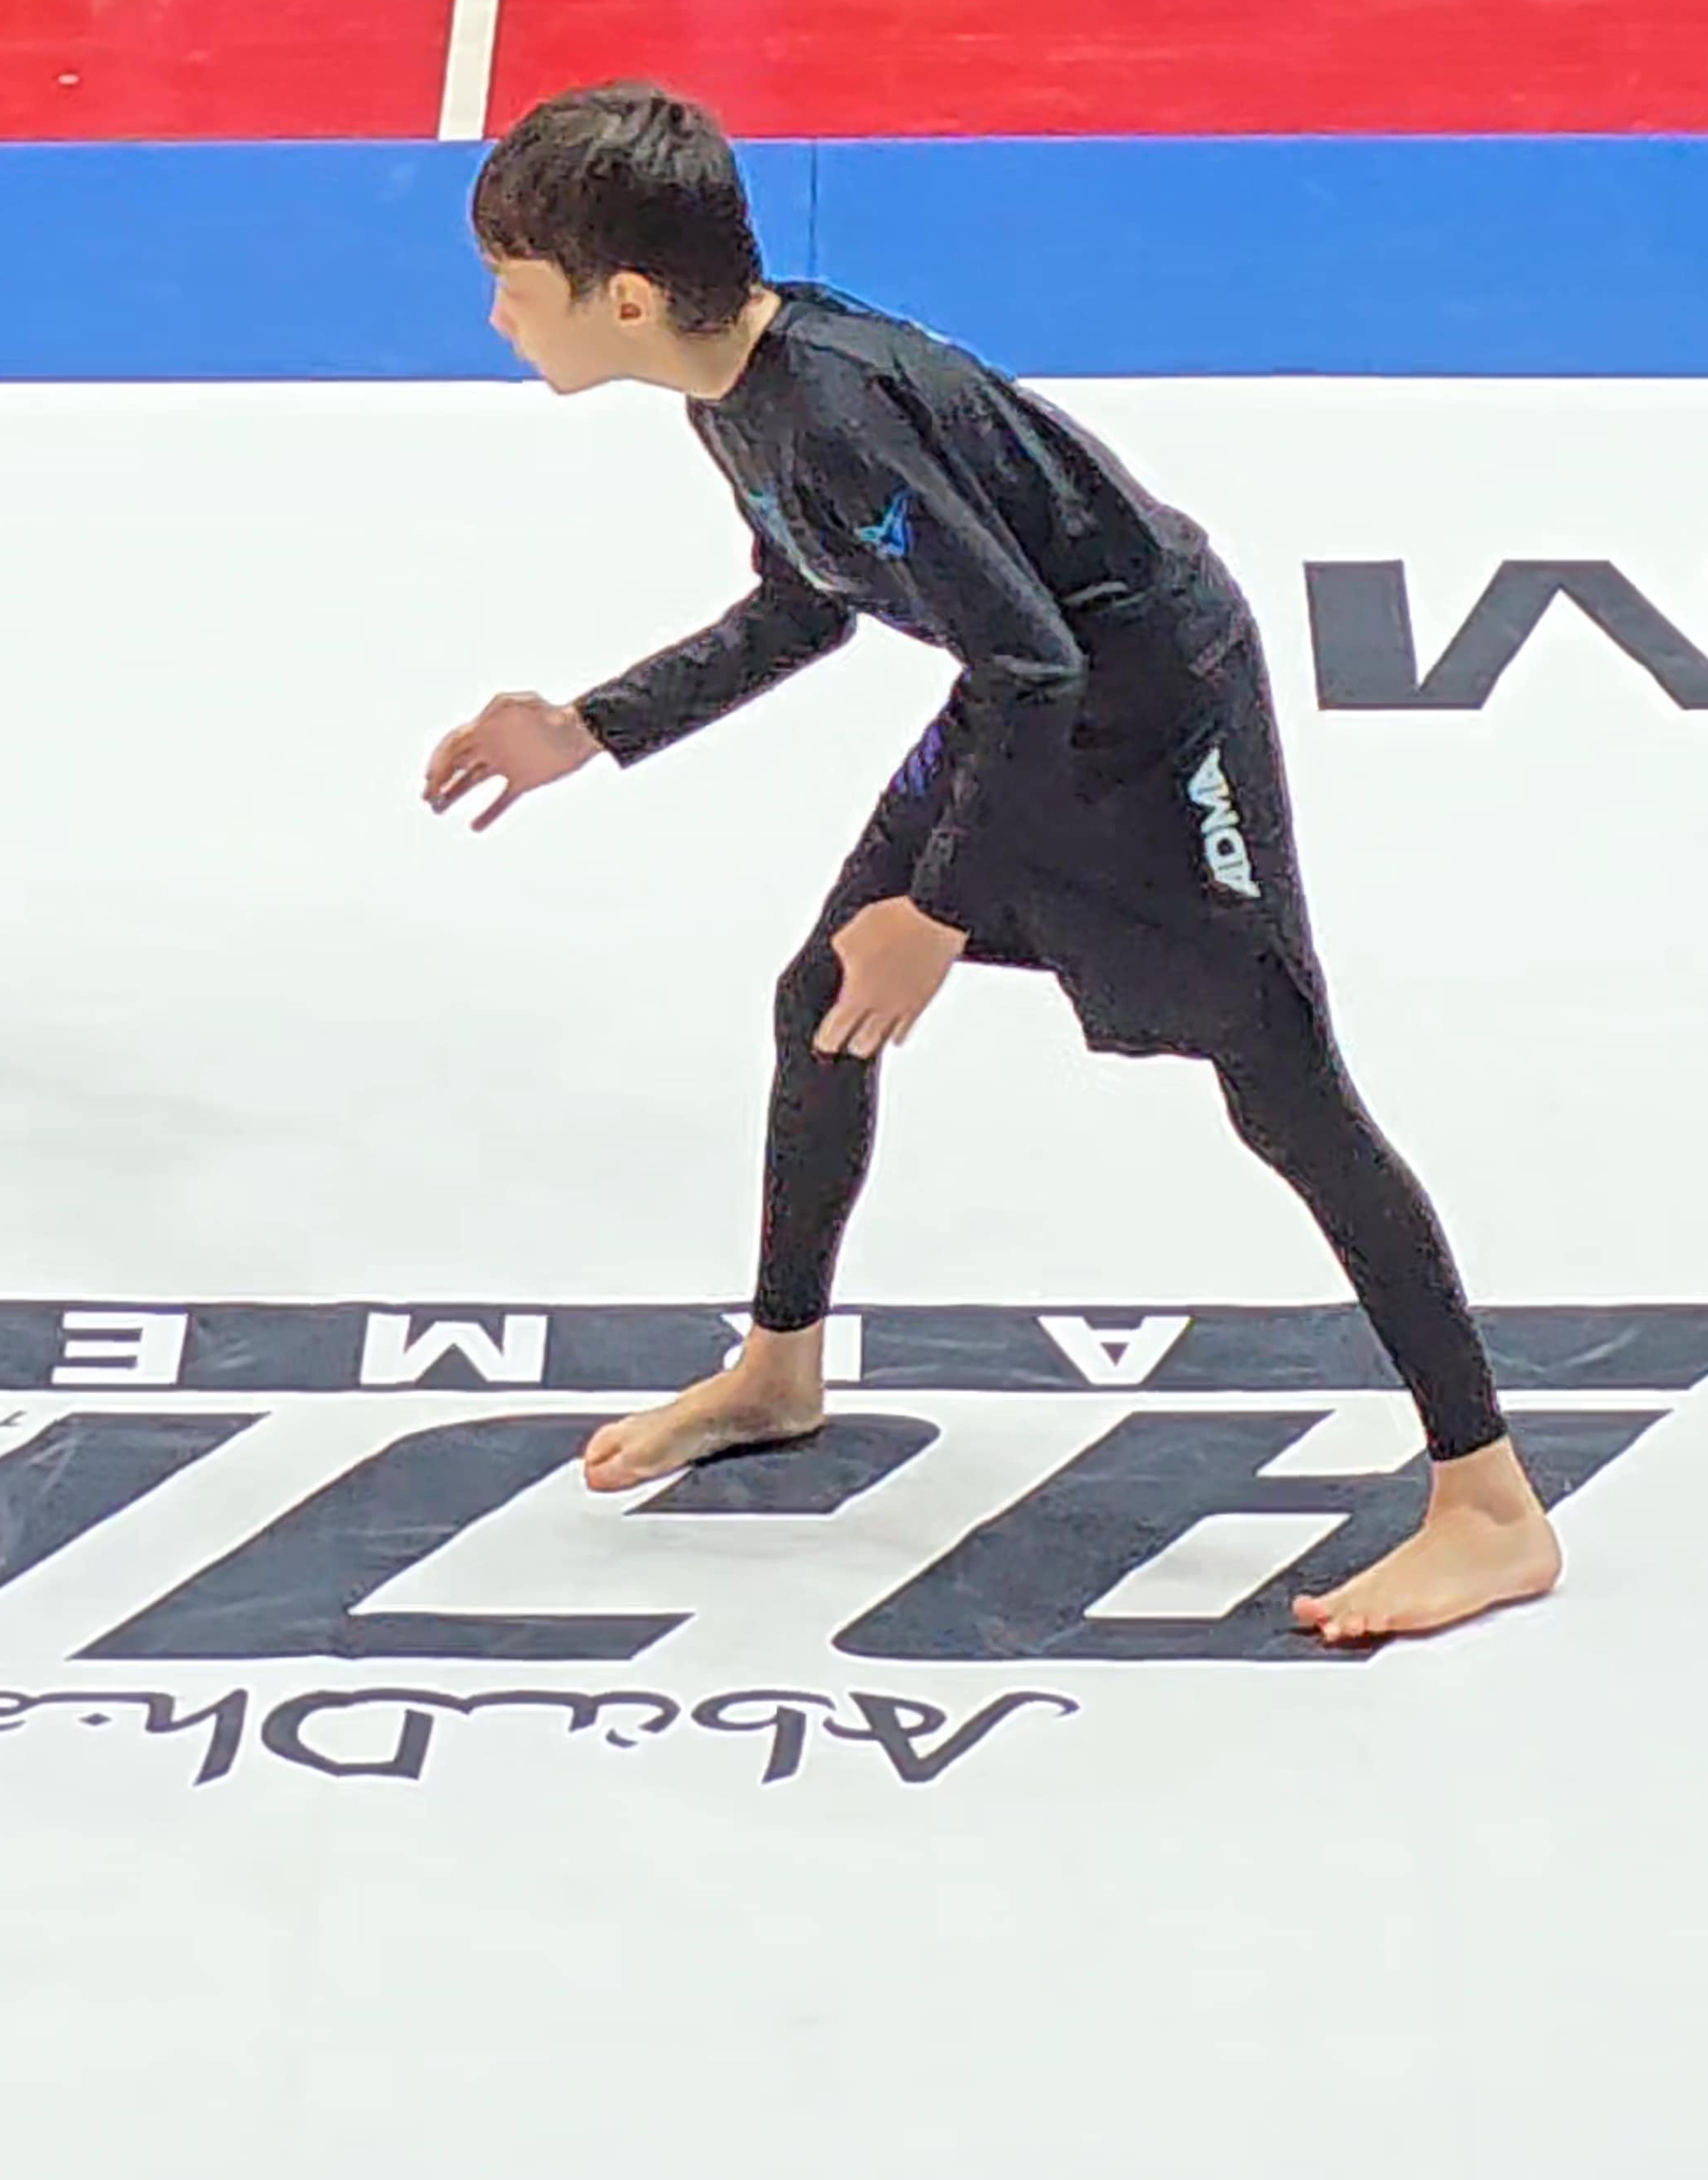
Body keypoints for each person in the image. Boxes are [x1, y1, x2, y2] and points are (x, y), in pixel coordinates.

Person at [415, 85, 1563, 1645]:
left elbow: (1041, 666)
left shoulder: (834, 407)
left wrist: (939, 912)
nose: (494, 316)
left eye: (510, 284)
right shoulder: (731, 390)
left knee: (1284, 1086)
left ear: (621, 298)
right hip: (1030, 697)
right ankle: (779, 1369)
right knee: (821, 1003)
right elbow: (810, 603)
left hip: (1155, 703)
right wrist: (594, 726)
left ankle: (1491, 1507)